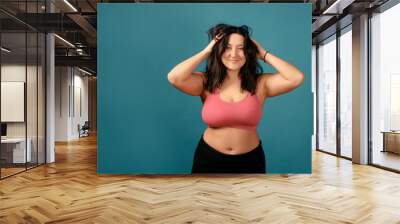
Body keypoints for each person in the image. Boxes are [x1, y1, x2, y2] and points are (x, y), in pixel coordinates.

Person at [167, 23, 304, 174]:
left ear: (249, 52)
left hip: (250, 160)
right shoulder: (206, 82)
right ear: (218, 50)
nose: (234, 54)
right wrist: (207, 51)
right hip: (208, 158)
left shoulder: (260, 83)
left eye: (241, 48)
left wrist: (264, 53)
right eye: (227, 47)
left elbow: (296, 78)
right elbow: (174, 77)